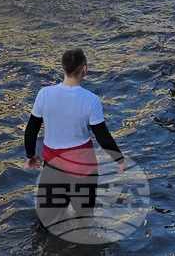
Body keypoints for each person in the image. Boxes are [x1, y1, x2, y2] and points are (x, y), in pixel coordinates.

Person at [24, 49, 125, 232]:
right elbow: (103, 136)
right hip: (83, 170)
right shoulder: (91, 100)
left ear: (63, 68)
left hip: (53, 168)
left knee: (47, 224)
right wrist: (119, 159)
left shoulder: (44, 94)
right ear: (84, 70)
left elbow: (31, 129)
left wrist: (30, 154)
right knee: (84, 221)